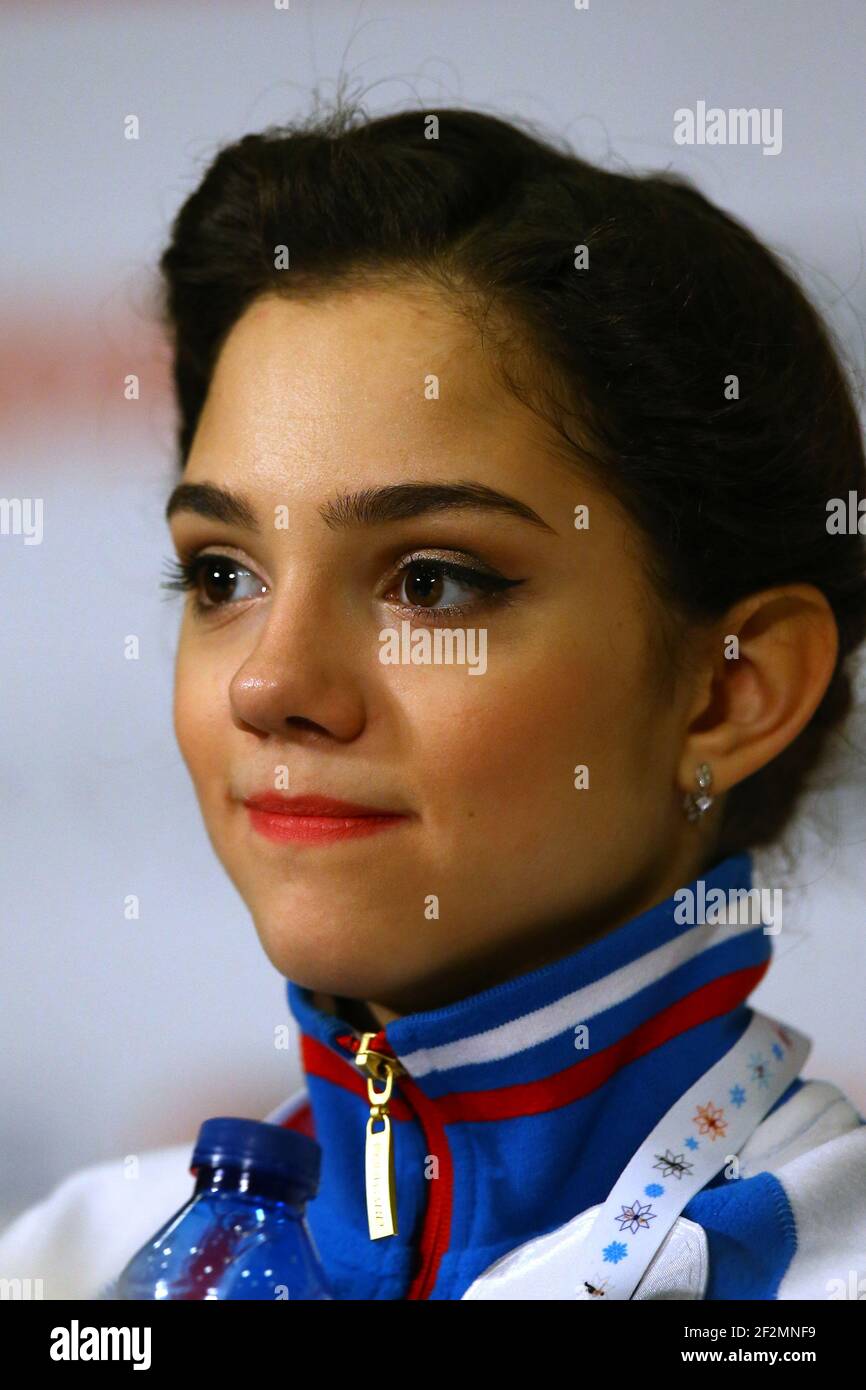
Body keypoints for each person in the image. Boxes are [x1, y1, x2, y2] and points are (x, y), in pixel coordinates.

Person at [2, 103, 865, 1301]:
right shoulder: (66, 1270)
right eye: (222, 576)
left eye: (430, 581)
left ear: (729, 689)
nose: (268, 683)